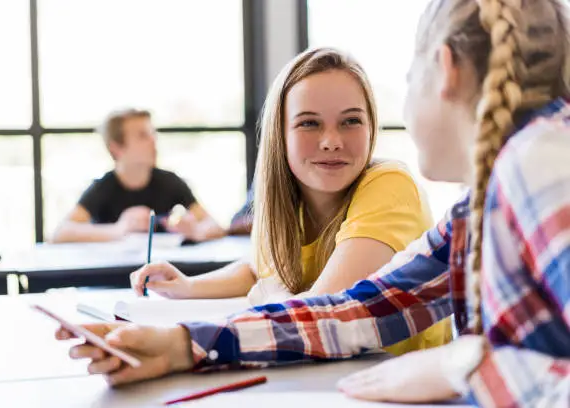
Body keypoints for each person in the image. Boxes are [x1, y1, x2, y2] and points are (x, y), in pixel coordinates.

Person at [58, 1, 570, 403]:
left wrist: (463, 366)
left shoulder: (541, 159)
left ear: (446, 69)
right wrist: (183, 344)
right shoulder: (487, 199)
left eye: (408, 80)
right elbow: (365, 308)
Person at [137, 49, 450, 354]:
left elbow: (320, 316)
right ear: (280, 134)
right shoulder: (290, 199)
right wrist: (188, 285)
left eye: (351, 121)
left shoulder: (390, 183)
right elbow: (260, 270)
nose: (332, 142)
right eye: (309, 123)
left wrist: (266, 295)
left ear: (371, 128)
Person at [50, 109, 225, 243]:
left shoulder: (170, 182)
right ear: (117, 148)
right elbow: (60, 233)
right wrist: (119, 229)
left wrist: (195, 231)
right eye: (143, 135)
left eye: (152, 133)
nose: (153, 141)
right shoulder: (104, 187)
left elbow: (215, 226)